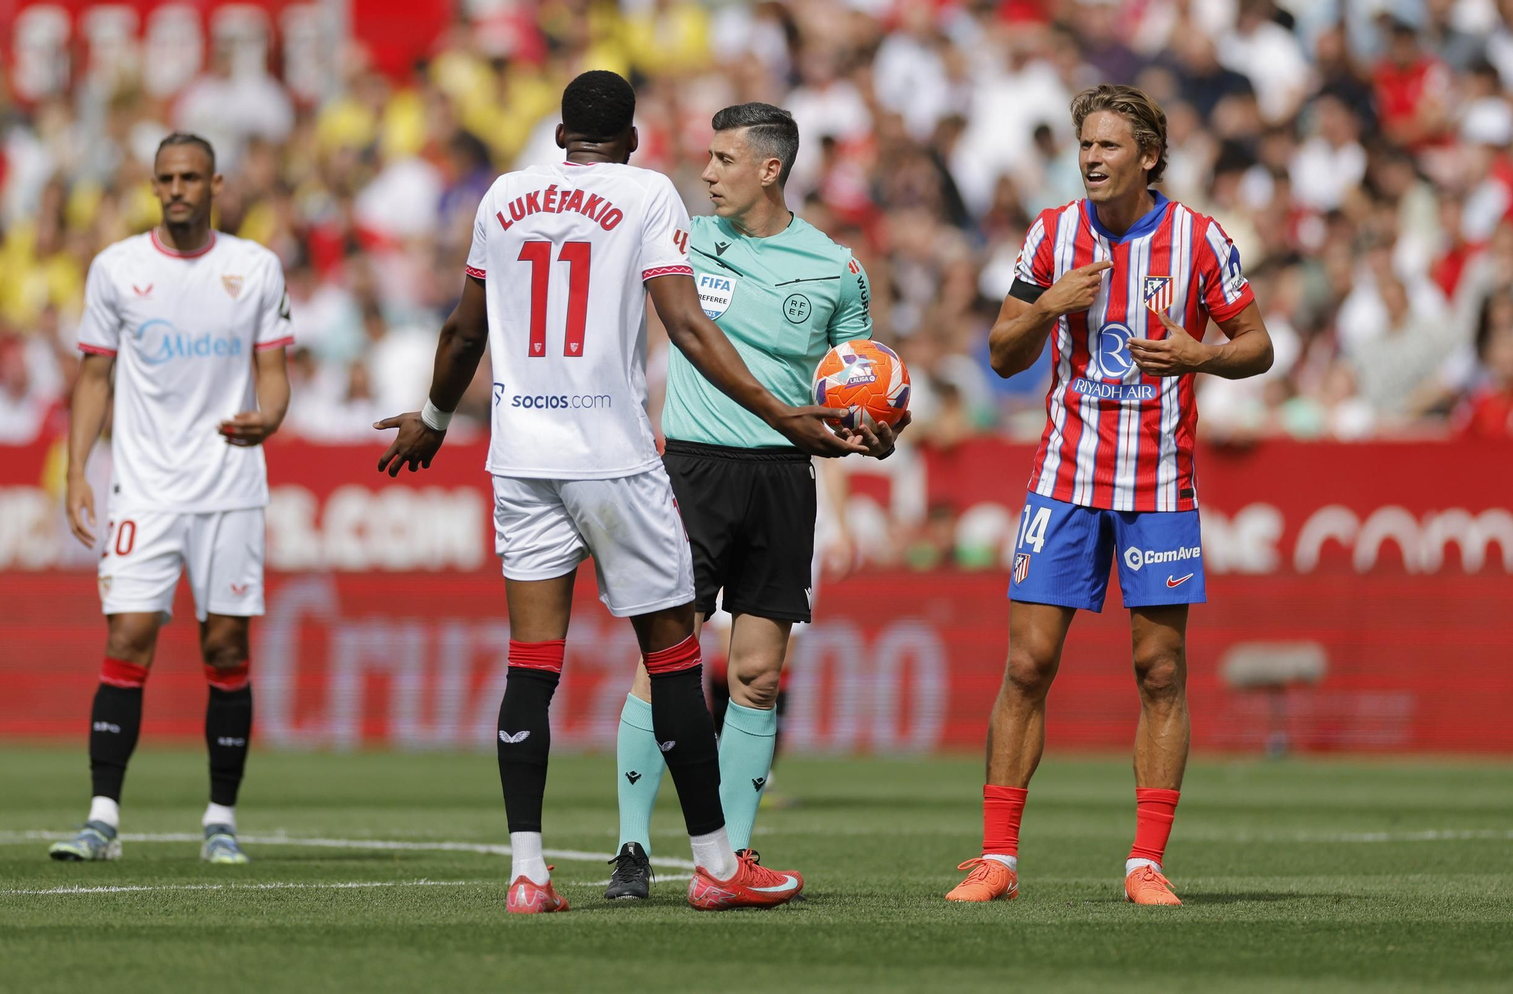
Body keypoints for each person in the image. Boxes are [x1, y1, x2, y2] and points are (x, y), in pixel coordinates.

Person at [373, 71, 863, 914]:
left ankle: (528, 873)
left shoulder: (503, 196)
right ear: (630, 136)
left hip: (521, 453)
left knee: (531, 665)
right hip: (613, 454)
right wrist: (781, 411)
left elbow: (464, 329)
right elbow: (687, 326)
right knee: (673, 651)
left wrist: (432, 415)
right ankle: (716, 863)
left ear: (561, 132)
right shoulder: (646, 194)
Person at [945, 84, 1273, 907]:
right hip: (1064, 479)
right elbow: (1003, 353)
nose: (1090, 159)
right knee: (1027, 664)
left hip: (1160, 483)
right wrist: (1048, 307)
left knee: (1159, 669)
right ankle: (997, 859)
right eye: (1084, 145)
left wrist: (1200, 356)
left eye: (1107, 147)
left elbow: (1257, 346)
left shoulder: (1200, 240)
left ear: (1148, 157)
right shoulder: (1052, 233)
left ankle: (1146, 863)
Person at [604, 102, 900, 901]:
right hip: (693, 473)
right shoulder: (683, 240)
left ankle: (724, 862)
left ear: (770, 169)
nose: (707, 173)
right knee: (663, 657)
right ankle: (630, 848)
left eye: (724, 159)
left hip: (784, 479)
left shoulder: (835, 267)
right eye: (707, 157)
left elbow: (856, 384)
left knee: (759, 676)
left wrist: (875, 433)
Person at [49, 133, 293, 865]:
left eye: (190, 177)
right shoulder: (117, 269)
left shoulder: (253, 268)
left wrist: (271, 416)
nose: (177, 188)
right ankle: (101, 819)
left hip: (228, 486)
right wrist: (75, 470)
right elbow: (94, 378)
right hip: (145, 488)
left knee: (225, 645)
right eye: (166, 179)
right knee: (126, 637)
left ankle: (220, 817)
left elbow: (274, 370)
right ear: (154, 186)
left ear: (216, 182)